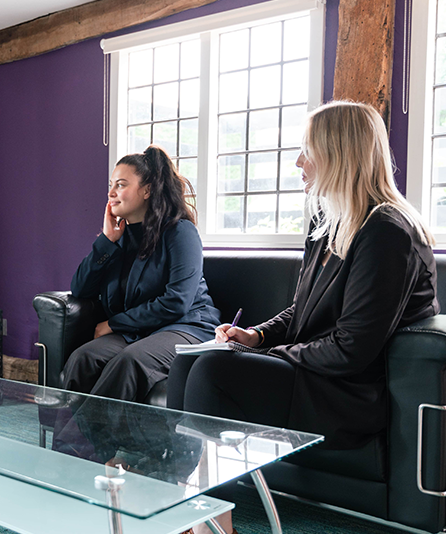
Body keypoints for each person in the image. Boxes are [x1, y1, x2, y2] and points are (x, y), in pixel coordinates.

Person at [167, 101, 439, 450]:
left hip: (347, 391)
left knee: (213, 371)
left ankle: (218, 500)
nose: (299, 162)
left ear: (339, 155)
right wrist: (256, 336)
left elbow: (351, 349)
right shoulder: (325, 225)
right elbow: (300, 309)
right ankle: (177, 489)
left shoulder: (387, 232)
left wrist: (271, 354)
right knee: (185, 364)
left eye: (308, 152)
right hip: (313, 372)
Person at [60, 145, 221, 403]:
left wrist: (114, 324)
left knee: (129, 361)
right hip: (141, 332)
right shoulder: (117, 240)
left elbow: (177, 301)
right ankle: (74, 444)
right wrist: (107, 241)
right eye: (111, 184)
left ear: (147, 190)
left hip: (186, 328)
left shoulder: (180, 232)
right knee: (83, 358)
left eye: (121, 185)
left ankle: (78, 443)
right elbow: (80, 289)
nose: (111, 193)